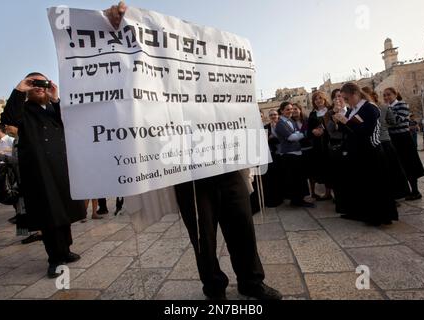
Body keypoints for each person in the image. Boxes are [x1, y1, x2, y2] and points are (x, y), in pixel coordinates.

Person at [105, 2, 282, 300]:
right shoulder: (164, 87)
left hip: (229, 164)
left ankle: (252, 281)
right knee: (203, 236)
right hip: (190, 171)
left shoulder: (219, 79)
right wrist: (120, 28)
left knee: (242, 228)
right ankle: (213, 286)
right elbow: (132, 77)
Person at [1, 73, 86, 278]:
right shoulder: (24, 110)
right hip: (40, 171)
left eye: (43, 83)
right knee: (49, 217)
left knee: (64, 212)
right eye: (34, 84)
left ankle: (65, 250)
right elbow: (9, 119)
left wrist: (56, 98)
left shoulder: (53, 109)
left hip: (60, 168)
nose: (39, 87)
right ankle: (54, 259)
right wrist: (20, 90)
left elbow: (72, 121)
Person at [334, 83, 398, 226]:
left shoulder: (370, 107)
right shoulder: (353, 109)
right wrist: (341, 121)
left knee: (375, 186)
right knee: (363, 186)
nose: (346, 101)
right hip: (358, 152)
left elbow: (366, 130)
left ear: (355, 94)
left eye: (347, 98)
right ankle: (364, 213)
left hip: (372, 151)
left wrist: (347, 122)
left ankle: (379, 216)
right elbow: (350, 131)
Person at [362, 87, 410, 201]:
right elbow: (392, 121)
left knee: (383, 171)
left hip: (376, 142)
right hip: (386, 140)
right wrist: (384, 127)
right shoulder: (383, 107)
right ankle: (398, 194)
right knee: (393, 169)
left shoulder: (365, 109)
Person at [383, 88, 424, 201]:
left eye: (388, 95)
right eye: (384, 95)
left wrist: (386, 115)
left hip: (404, 138)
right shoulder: (388, 107)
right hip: (393, 139)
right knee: (399, 166)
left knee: (410, 164)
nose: (386, 97)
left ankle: (415, 191)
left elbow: (396, 120)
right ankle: (404, 191)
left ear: (395, 94)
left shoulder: (402, 105)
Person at [275, 102, 313, 208]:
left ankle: (300, 199)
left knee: (299, 178)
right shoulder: (280, 123)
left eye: (291, 109)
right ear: (282, 111)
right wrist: (303, 134)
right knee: (294, 179)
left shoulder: (291, 120)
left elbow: (296, 134)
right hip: (289, 154)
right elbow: (292, 137)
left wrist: (297, 134)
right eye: (287, 109)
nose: (290, 111)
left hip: (297, 152)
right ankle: (296, 201)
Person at [324, 89, 350, 213]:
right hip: (336, 147)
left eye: (341, 96)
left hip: (350, 145)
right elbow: (329, 131)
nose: (339, 99)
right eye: (336, 97)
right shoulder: (329, 113)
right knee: (338, 177)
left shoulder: (351, 110)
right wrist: (334, 117)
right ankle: (342, 205)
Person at [307, 91, 333, 201]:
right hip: (318, 145)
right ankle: (323, 193)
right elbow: (308, 131)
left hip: (330, 142)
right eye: (316, 99)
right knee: (322, 169)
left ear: (324, 99)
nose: (318, 100)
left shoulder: (331, 111)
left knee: (331, 169)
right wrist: (313, 131)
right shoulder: (312, 114)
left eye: (320, 98)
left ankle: (332, 192)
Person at [261, 109, 283, 208]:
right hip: (272, 155)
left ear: (278, 115)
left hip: (282, 153)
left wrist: (271, 138)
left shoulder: (283, 125)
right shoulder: (266, 127)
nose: (273, 116)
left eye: (275, 114)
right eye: (271, 115)